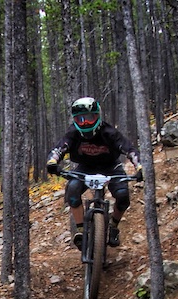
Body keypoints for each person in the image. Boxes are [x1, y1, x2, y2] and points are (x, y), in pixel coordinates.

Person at [46, 96, 143, 249]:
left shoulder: (109, 132)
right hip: (86, 167)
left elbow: (129, 149)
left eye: (89, 118)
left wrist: (139, 167)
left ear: (97, 116)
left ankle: (114, 226)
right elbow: (60, 148)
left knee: (123, 195)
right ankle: (81, 230)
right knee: (72, 190)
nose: (84, 123)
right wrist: (52, 162)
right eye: (80, 119)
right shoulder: (73, 133)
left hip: (111, 166)